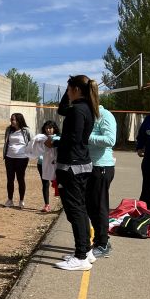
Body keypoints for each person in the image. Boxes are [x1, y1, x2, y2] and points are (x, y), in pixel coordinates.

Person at [53, 75, 98, 271]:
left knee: (76, 211)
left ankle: (81, 256)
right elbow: (61, 109)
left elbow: (73, 138)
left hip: (72, 166)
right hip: (78, 165)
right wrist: (67, 90)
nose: (68, 92)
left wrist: (53, 141)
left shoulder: (79, 111)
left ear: (77, 90)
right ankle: (86, 250)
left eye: (69, 88)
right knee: (78, 209)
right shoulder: (82, 107)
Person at [87, 101, 117, 259]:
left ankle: (103, 243)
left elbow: (110, 140)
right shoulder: (88, 116)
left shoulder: (105, 115)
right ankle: (99, 240)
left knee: (99, 206)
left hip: (102, 167)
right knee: (91, 207)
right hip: (90, 166)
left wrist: (86, 137)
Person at [3, 113, 31, 209]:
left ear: (19, 120)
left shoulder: (26, 131)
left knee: (20, 179)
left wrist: (30, 154)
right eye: (11, 119)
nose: (11, 121)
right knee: (10, 179)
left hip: (22, 158)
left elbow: (31, 142)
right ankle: (10, 200)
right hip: (9, 157)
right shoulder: (8, 130)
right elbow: (6, 142)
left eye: (13, 120)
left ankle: (21, 200)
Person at [33, 121, 60, 213]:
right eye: (46, 128)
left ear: (54, 128)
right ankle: (47, 205)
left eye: (50, 128)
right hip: (41, 163)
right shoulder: (40, 138)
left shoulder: (59, 138)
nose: (48, 130)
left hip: (55, 164)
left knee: (59, 184)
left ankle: (64, 204)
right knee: (45, 184)